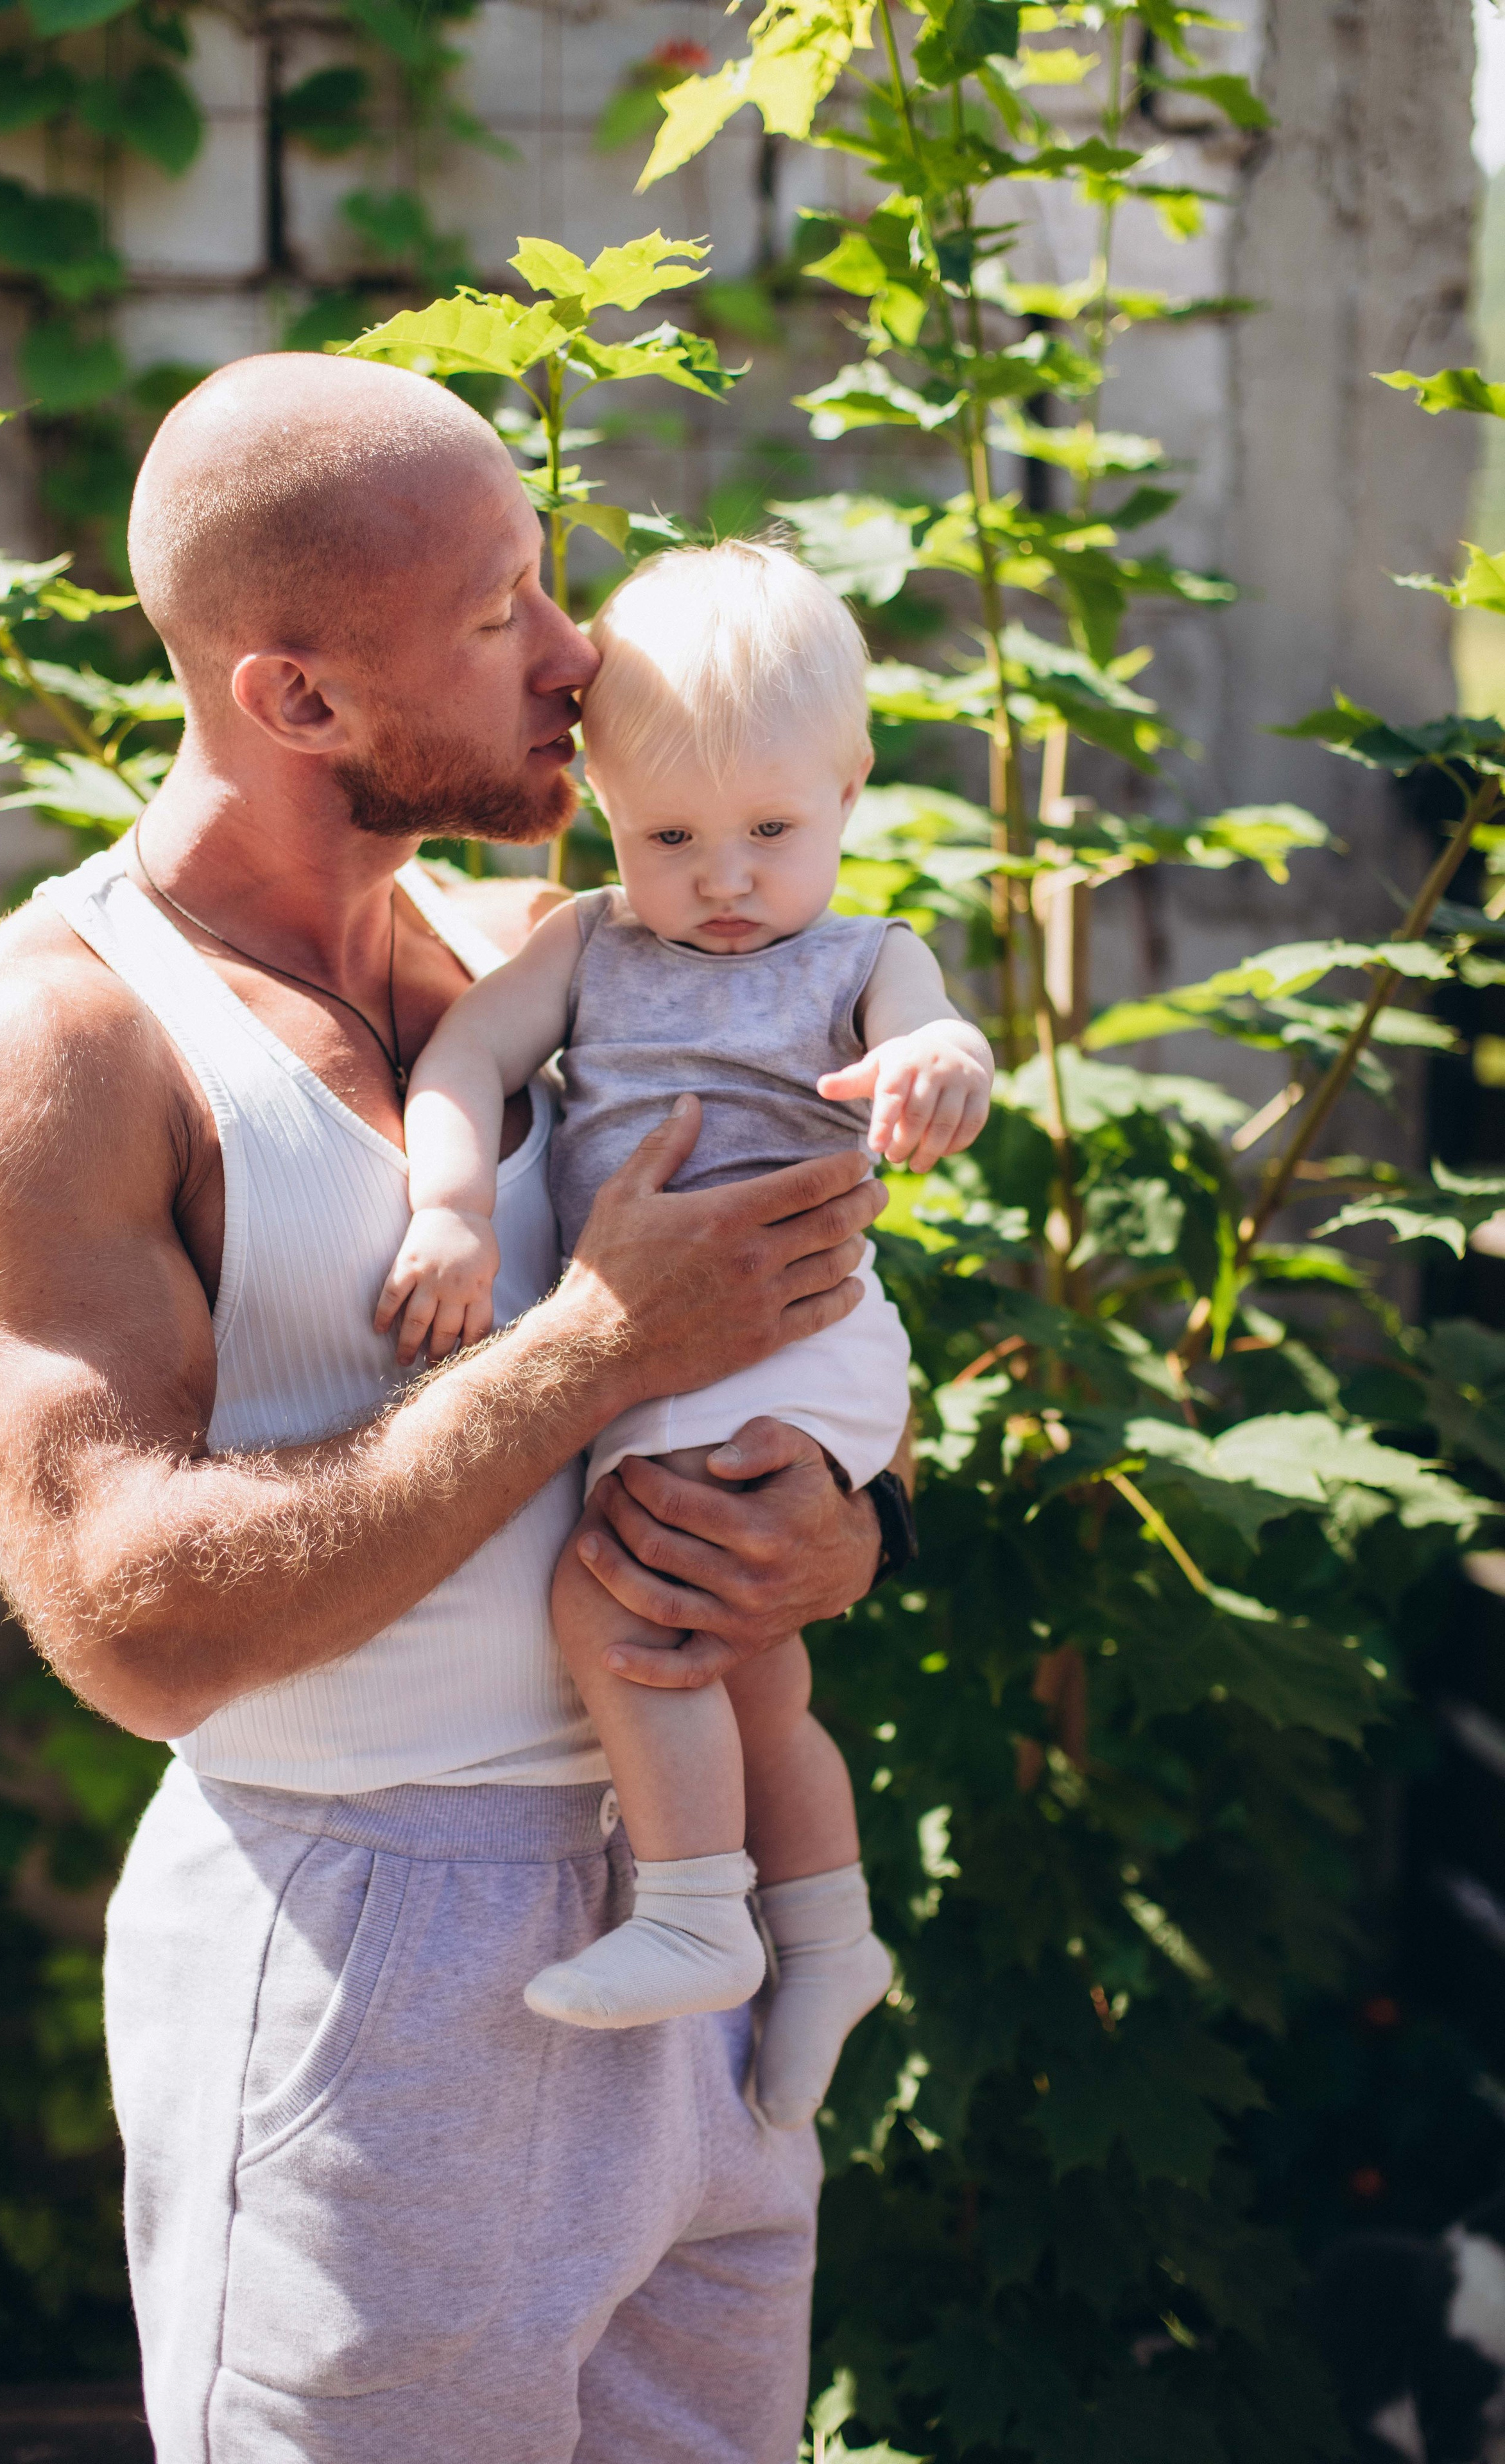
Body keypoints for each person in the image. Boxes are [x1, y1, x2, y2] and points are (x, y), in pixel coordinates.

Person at [0, 352, 902, 2464]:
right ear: (300, 699)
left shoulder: (563, 945)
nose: (578, 652)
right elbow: (138, 1624)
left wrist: (842, 1533)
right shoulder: (47, 1050)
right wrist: (592, 1345)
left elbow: (793, 1337)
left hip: (682, 1905)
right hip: (370, 1958)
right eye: (502, 611)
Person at [378, 542, 993, 2125]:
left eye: (770, 833)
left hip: (794, 1332)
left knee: (619, 1604)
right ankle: (828, 1939)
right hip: (676, 1339)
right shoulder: (589, 945)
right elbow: (463, 1056)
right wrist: (448, 1209)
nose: (723, 880)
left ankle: (694, 1912)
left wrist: (934, 1074)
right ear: (599, 807)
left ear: (848, 790)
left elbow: (939, 1040)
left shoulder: (863, 958)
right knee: (750, 1666)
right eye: (670, 837)